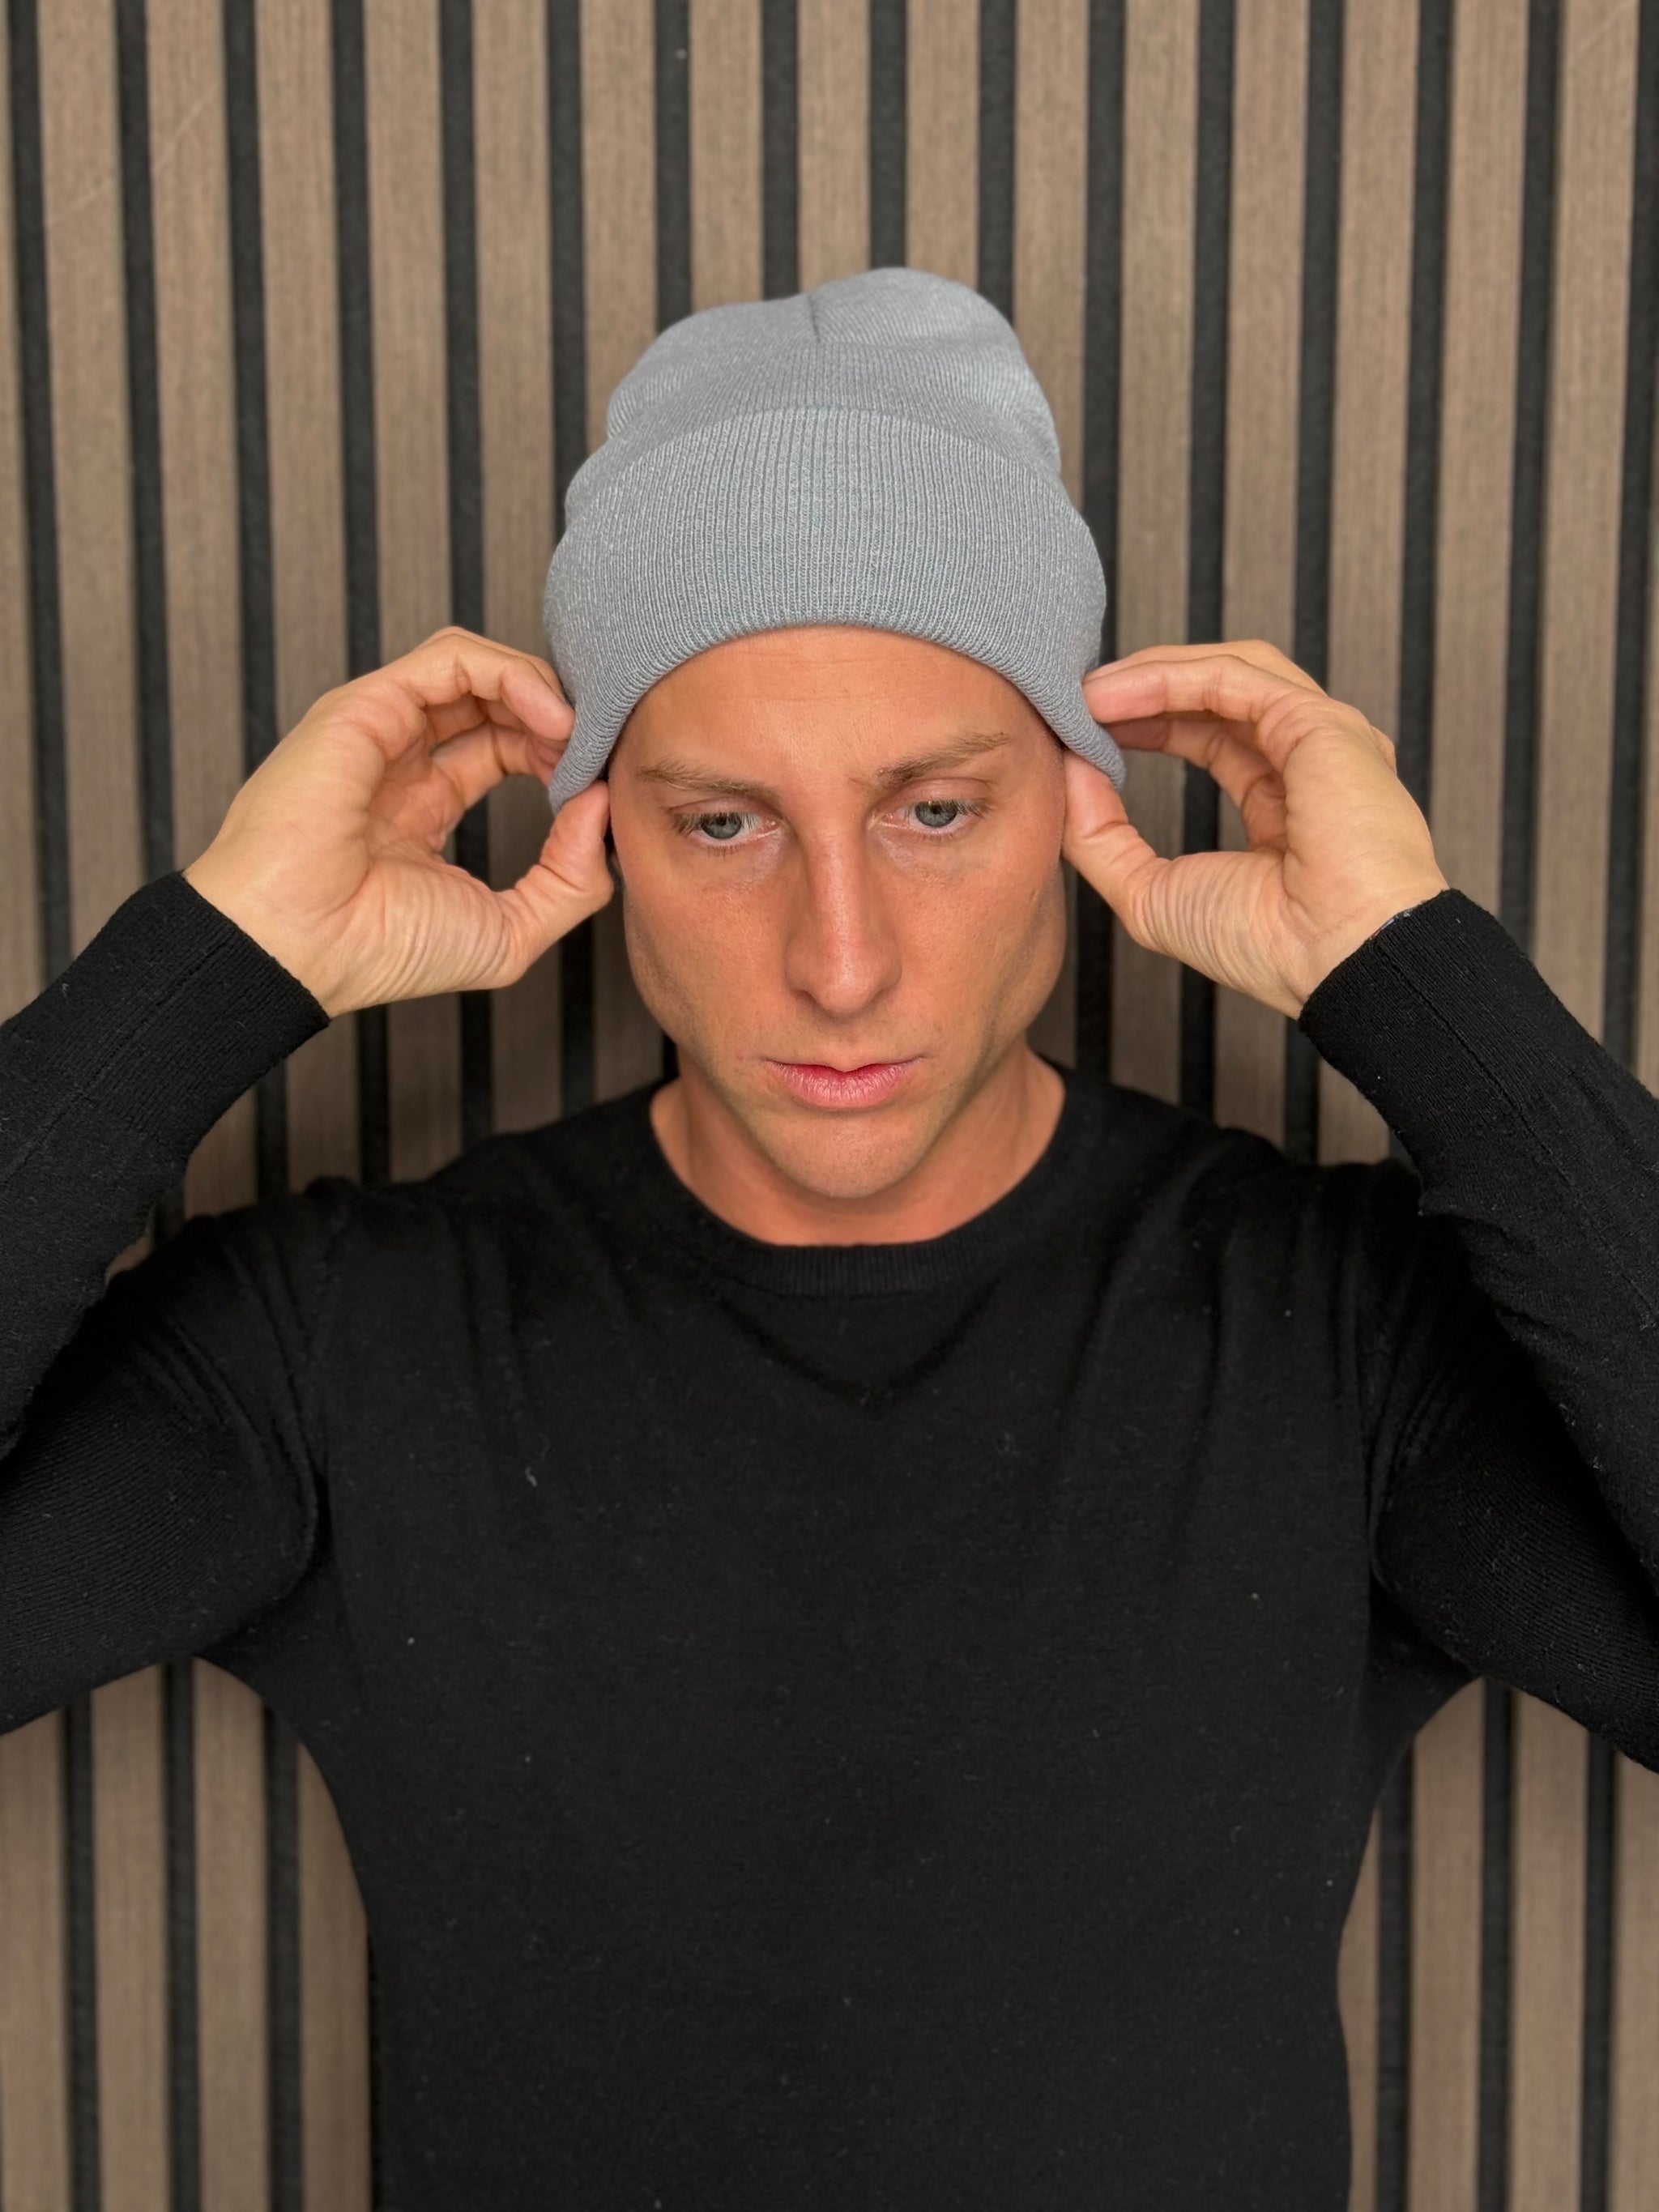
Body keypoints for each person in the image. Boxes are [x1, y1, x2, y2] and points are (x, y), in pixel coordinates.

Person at [2, 267, 1655, 2210]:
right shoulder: (341, 1339)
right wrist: (219, 955)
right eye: (724, 824)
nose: (840, 959)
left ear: (1077, 804)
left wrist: (1411, 972)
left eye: (934, 810)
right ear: (599, 831)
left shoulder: (1334, 1332)